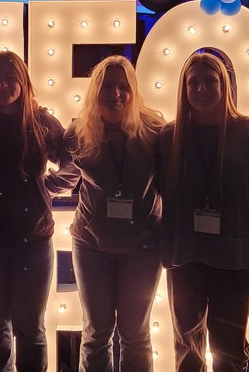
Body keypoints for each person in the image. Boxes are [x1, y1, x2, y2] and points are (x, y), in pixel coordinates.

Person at [0, 50, 74, 372]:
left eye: (10, 78)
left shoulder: (42, 122)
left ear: (23, 81)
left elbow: (73, 166)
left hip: (31, 242)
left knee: (31, 329)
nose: (3, 85)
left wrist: (44, 189)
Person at [158, 52, 249, 372]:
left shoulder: (248, 132)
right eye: (193, 82)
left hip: (233, 254)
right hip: (185, 254)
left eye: (210, 81)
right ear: (183, 88)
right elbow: (163, 188)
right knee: (187, 349)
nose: (201, 89)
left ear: (225, 85)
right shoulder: (168, 136)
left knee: (230, 349)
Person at [64, 55, 164, 372]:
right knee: (96, 334)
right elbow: (64, 173)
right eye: (107, 87)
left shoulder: (155, 132)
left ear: (133, 90)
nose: (115, 94)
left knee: (136, 336)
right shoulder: (77, 133)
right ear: (95, 90)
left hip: (143, 248)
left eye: (123, 86)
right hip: (91, 246)